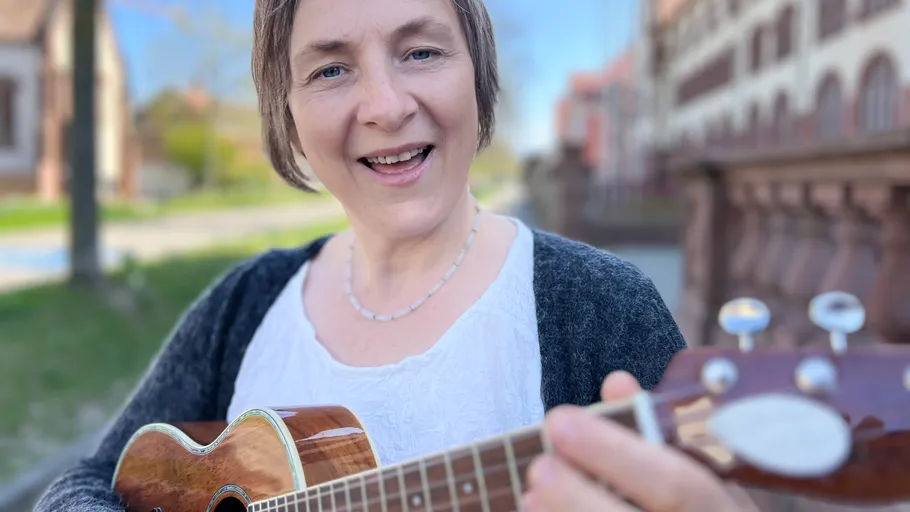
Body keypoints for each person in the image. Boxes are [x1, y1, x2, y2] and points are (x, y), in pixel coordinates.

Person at [34, 0, 757, 510]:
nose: (384, 105)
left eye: (420, 51)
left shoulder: (599, 310)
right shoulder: (246, 305)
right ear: (286, 111)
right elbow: (85, 480)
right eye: (330, 70)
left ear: (476, 71)